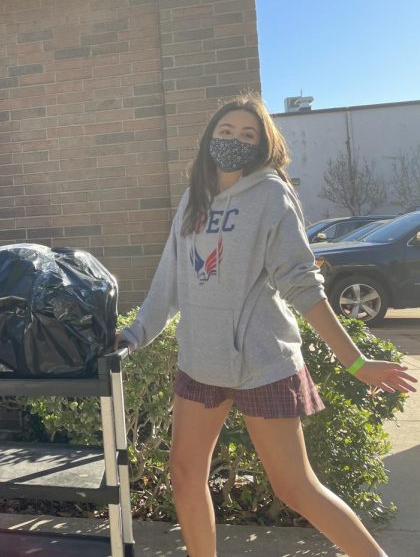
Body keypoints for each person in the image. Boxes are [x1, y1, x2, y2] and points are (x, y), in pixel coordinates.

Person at [116, 94, 416, 557]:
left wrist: (355, 362)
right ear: (210, 138)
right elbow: (169, 283)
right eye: (227, 131)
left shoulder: (271, 194)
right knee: (183, 475)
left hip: (263, 362)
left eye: (248, 134)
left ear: (262, 145)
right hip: (201, 362)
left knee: (295, 489)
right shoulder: (193, 200)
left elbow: (303, 285)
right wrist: (133, 335)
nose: (235, 139)